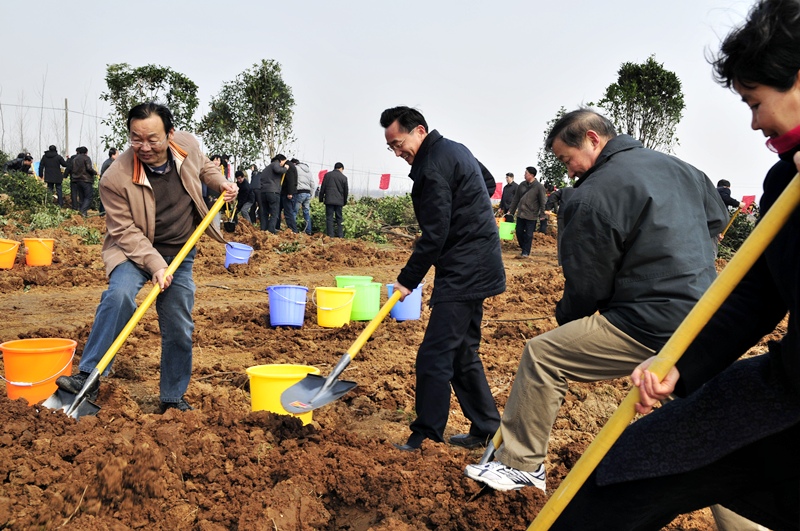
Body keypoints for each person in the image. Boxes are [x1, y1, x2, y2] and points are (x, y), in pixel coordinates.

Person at [548, 1, 800, 528]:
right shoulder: (785, 182)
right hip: (786, 389)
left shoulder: (596, 194)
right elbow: (755, 294)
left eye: (756, 102)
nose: (754, 122)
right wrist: (683, 363)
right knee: (622, 475)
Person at [464, 108, 728, 492]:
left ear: (592, 139)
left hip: (646, 320)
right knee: (701, 431)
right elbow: (717, 221)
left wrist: (568, 318)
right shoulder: (683, 169)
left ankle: (521, 464)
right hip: (704, 318)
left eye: (566, 159)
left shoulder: (592, 195)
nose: (569, 170)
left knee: (544, 355)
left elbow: (587, 285)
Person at [55, 102, 237, 413]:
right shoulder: (115, 177)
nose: (145, 147)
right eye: (136, 139)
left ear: (170, 134)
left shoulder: (187, 145)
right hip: (133, 250)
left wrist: (220, 182)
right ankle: (88, 374)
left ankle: (172, 397)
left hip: (179, 251)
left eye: (153, 139)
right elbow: (124, 231)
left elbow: (204, 166)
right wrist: (155, 265)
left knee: (178, 322)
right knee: (119, 295)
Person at [380, 105, 504, 451]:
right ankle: (488, 428)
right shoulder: (454, 149)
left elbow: (434, 235)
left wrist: (407, 280)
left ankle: (425, 435)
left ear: (419, 130)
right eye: (391, 147)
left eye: (399, 143)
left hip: (465, 269)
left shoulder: (432, 167)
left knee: (434, 355)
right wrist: (468, 216)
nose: (397, 152)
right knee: (462, 352)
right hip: (475, 261)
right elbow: (486, 181)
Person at [505, 166, 546, 257]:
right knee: (518, 231)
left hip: (532, 215)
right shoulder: (522, 185)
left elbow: (543, 202)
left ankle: (525, 252)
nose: (524, 175)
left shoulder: (539, 187)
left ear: (531, 175)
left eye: (526, 173)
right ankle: (524, 247)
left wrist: (542, 214)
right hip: (521, 214)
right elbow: (516, 199)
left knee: (528, 234)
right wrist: (511, 211)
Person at [544, 185, 575, 265]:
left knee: (561, 237)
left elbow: (553, 196)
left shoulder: (565, 190)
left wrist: (548, 208)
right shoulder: (584, 190)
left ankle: (561, 262)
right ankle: (573, 260)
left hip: (563, 215)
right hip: (576, 215)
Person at [318, 162, 348, 238]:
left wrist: (321, 198)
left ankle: (330, 235)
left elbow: (323, 188)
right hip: (339, 201)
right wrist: (344, 201)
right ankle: (340, 235)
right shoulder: (344, 178)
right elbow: (346, 191)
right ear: (341, 168)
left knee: (329, 218)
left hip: (329, 200)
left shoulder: (327, 175)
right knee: (339, 218)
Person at [261, 154, 288, 233]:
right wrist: (285, 169)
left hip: (263, 192)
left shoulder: (266, 169)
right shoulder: (276, 164)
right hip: (273, 192)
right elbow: (277, 170)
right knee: (274, 212)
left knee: (265, 212)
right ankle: (271, 230)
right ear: (280, 161)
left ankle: (263, 229)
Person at [70, 146, 97, 217]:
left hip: (77, 180)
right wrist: (95, 172)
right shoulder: (86, 158)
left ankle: (83, 214)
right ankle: (82, 211)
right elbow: (89, 168)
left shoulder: (75, 159)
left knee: (81, 197)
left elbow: (72, 169)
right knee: (88, 197)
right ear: (86, 152)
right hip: (86, 180)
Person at [293, 158, 316, 235]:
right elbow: (312, 184)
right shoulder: (309, 171)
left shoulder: (296, 168)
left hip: (300, 192)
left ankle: (293, 230)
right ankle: (308, 231)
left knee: (294, 211)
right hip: (308, 193)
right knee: (306, 212)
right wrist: (311, 194)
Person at [278, 157, 299, 232]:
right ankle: (277, 227)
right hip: (284, 192)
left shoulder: (288, 166)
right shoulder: (289, 165)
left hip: (287, 193)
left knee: (288, 212)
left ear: (281, 161)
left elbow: (291, 181)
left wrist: (290, 193)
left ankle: (293, 230)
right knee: (280, 210)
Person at [99, 147, 119, 215]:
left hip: (104, 182)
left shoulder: (107, 161)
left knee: (104, 199)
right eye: (117, 154)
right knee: (108, 199)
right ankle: (104, 214)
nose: (118, 155)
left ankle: (102, 214)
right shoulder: (111, 163)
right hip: (107, 183)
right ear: (113, 155)